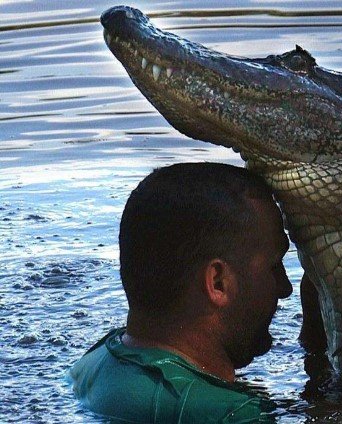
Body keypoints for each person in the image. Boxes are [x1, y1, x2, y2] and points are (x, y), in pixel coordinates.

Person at [69, 162, 292, 423]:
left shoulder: (94, 363)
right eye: (274, 266)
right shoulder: (232, 415)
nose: (285, 288)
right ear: (218, 283)